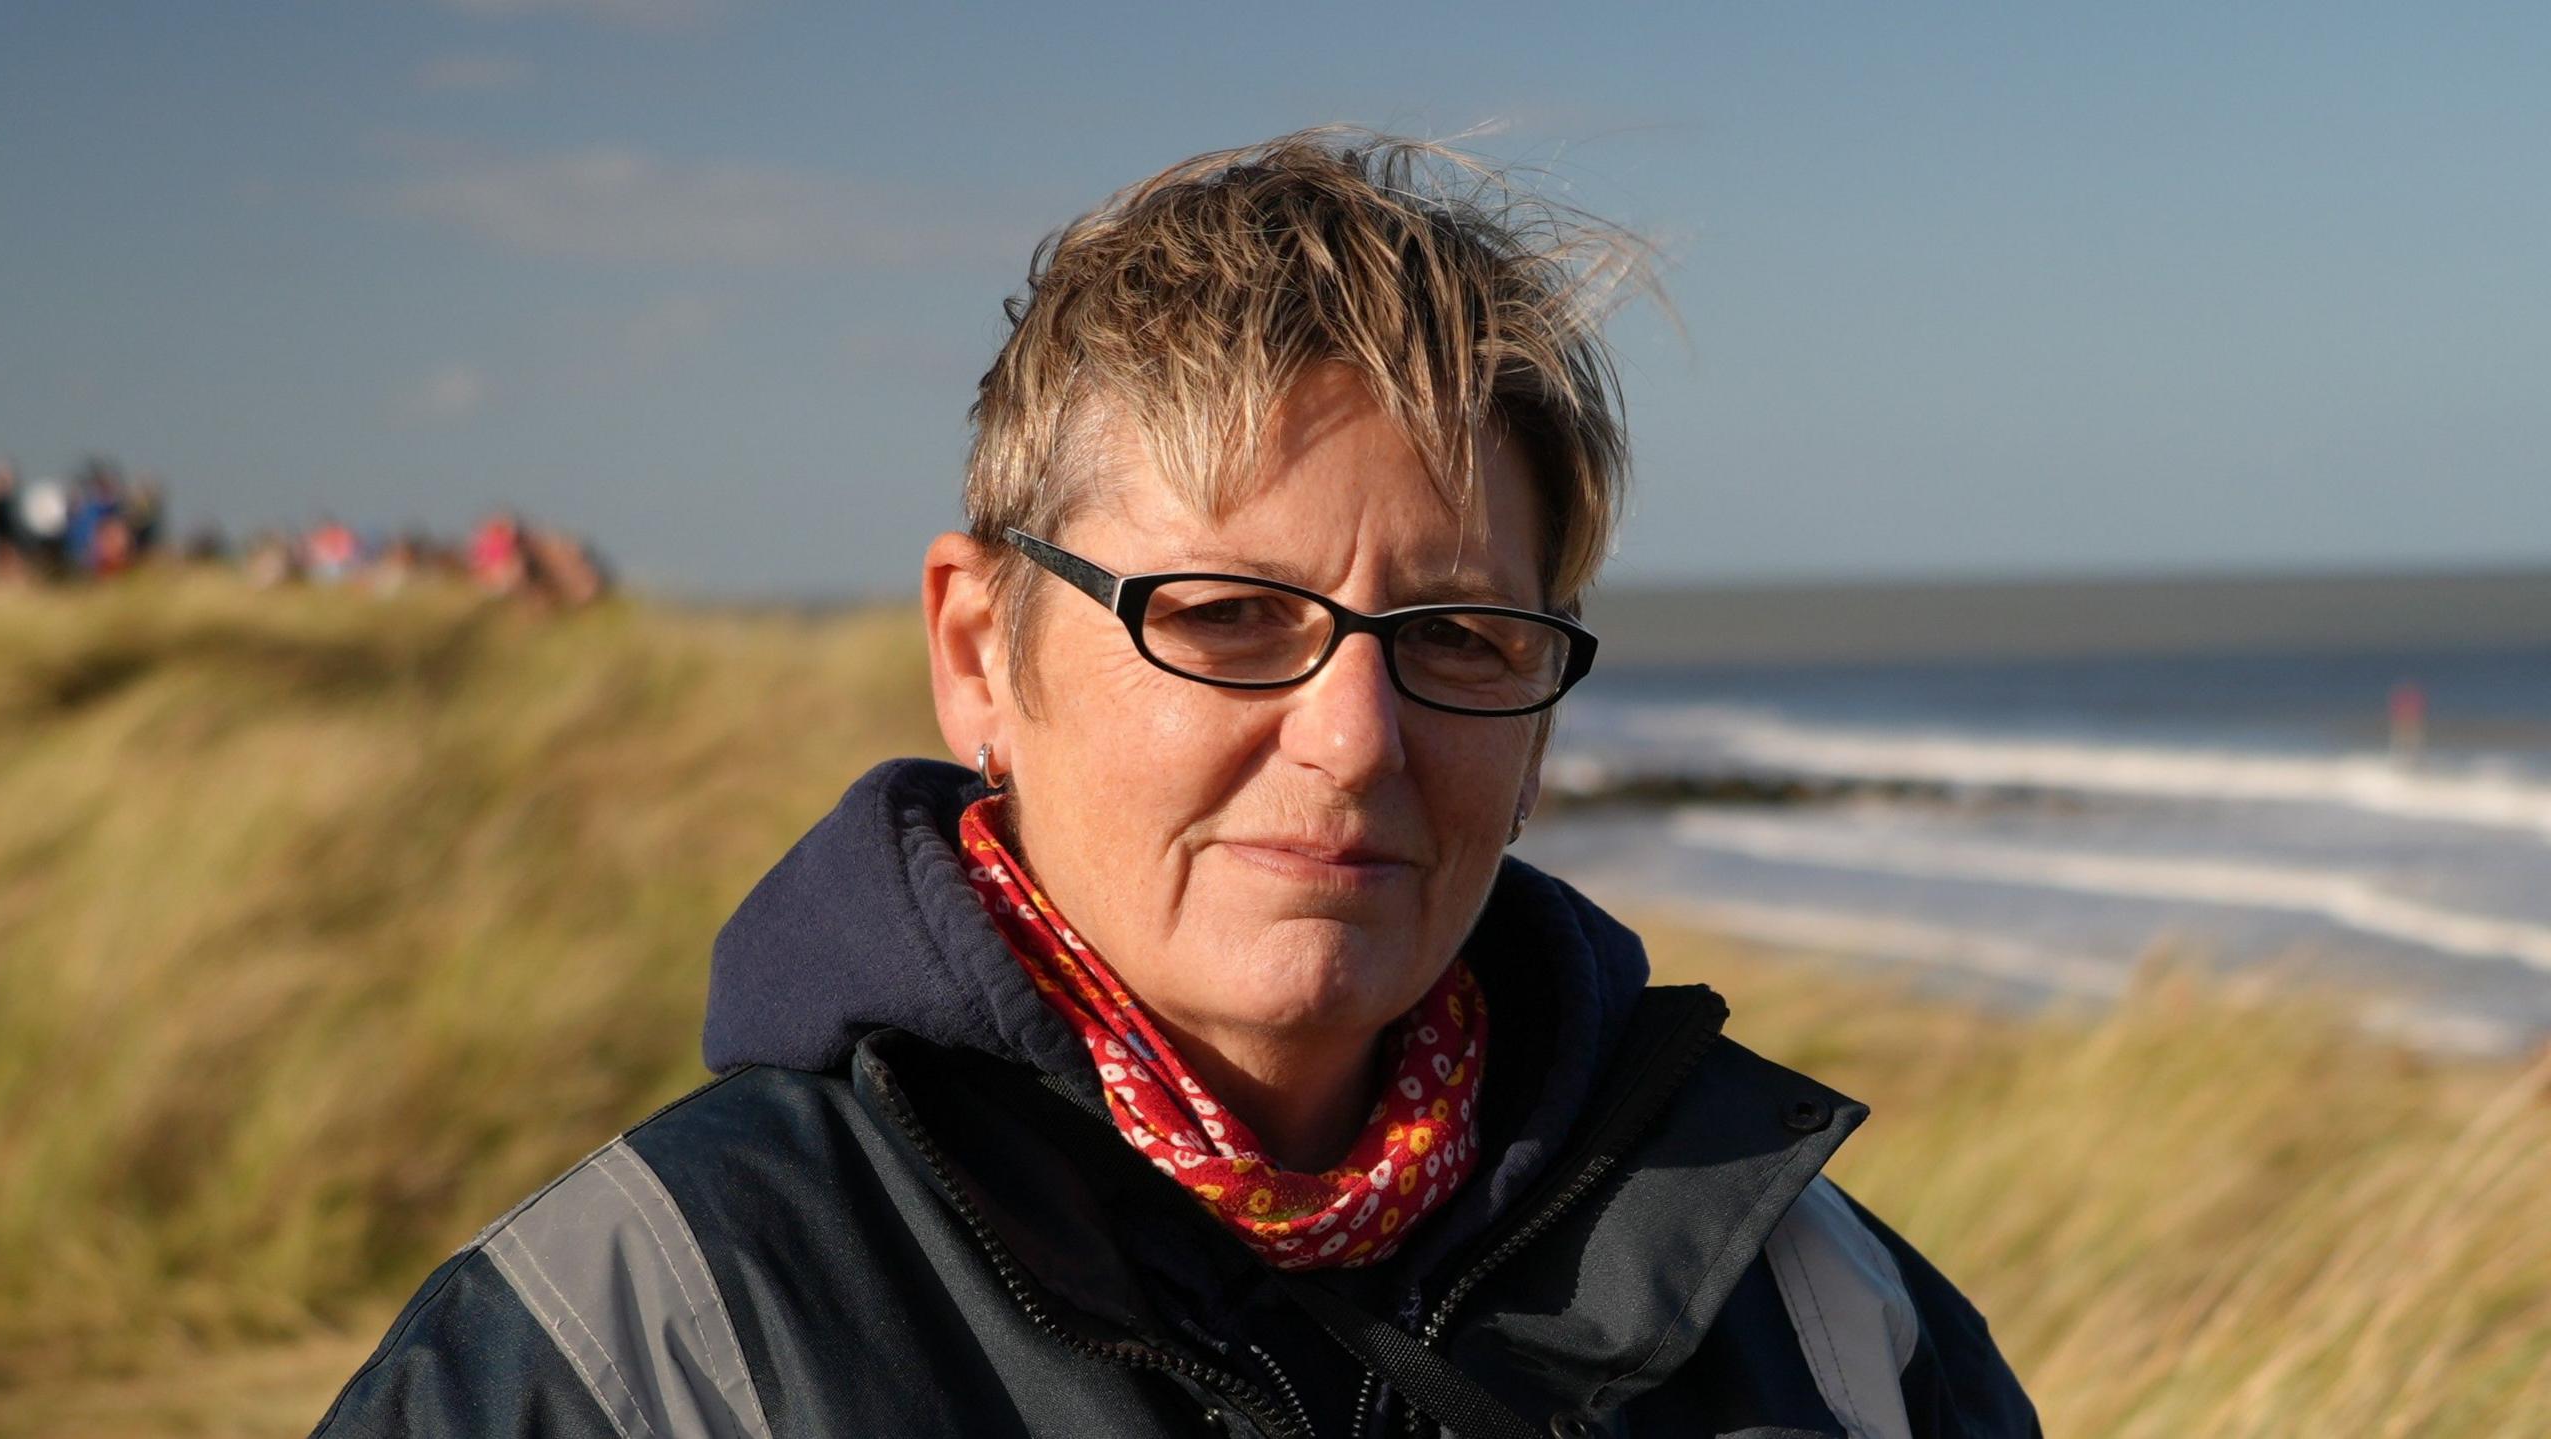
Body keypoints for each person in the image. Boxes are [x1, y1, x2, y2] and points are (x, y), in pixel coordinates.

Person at [312, 130, 2036, 1438]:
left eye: (1458, 637)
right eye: (1223, 617)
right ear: (982, 652)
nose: (1354, 738)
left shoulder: (1820, 1320)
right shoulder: (644, 1348)